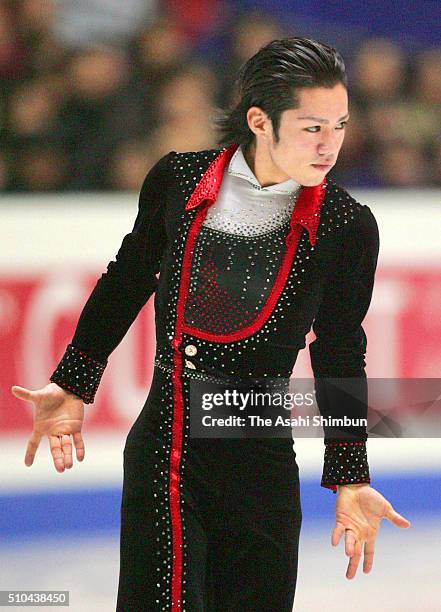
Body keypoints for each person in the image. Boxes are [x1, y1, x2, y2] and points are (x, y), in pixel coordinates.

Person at [11, 37, 411, 611]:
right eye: (311, 127)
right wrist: (75, 379)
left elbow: (341, 349)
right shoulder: (179, 181)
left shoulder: (346, 225)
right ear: (259, 121)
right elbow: (128, 278)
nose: (331, 145)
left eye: (340, 125)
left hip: (262, 469)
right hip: (166, 458)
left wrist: (350, 472)